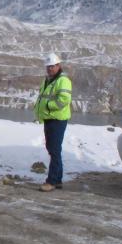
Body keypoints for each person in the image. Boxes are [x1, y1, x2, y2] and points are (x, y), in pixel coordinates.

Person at [33, 53, 72, 192]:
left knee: (54, 150)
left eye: (52, 66)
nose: (49, 69)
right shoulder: (48, 80)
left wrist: (48, 106)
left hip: (57, 119)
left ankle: (52, 181)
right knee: (53, 149)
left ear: (58, 65)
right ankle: (58, 180)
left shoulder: (63, 80)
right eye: (48, 66)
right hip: (49, 118)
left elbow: (64, 100)